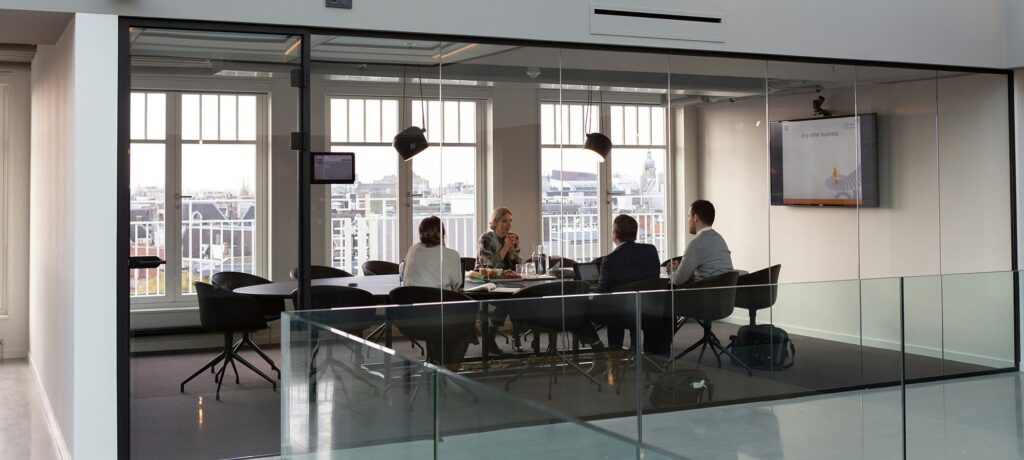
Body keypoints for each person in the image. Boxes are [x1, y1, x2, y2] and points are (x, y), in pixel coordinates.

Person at [400, 216, 475, 371]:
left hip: (410, 321)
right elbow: (457, 283)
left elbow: (402, 271)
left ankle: (438, 363)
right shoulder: (451, 254)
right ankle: (449, 370)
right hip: (439, 319)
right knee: (467, 326)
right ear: (443, 233)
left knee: (439, 317)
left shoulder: (413, 249)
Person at [593, 215, 661, 353]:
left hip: (621, 314)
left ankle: (608, 353)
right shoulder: (651, 251)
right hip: (649, 310)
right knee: (618, 304)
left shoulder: (610, 260)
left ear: (615, 234)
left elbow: (601, 295)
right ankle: (633, 350)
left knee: (610, 307)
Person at [475, 207, 522, 354]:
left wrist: (512, 251)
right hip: (486, 282)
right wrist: (505, 247)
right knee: (508, 300)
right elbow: (490, 266)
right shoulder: (486, 239)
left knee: (521, 297)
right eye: (504, 221)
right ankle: (492, 335)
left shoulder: (514, 237)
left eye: (510, 221)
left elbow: (517, 266)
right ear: (495, 222)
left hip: (508, 281)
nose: (508, 225)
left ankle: (502, 336)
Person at [669, 199, 734, 286]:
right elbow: (709, 269)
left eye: (689, 217)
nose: (687, 221)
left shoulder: (695, 244)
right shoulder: (720, 240)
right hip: (725, 296)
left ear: (695, 218)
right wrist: (679, 269)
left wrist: (672, 271)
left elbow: (677, 281)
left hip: (703, 296)